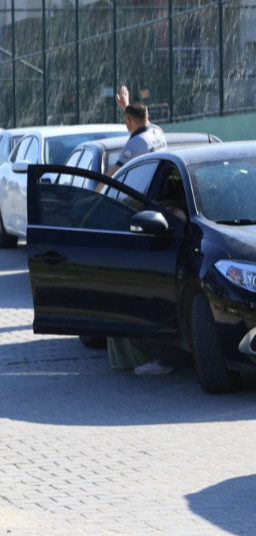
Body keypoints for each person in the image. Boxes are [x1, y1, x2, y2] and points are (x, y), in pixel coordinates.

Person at [105, 85, 173, 376]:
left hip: (137, 216)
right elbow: (139, 122)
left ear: (129, 122)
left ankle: (140, 358)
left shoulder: (133, 146)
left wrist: (91, 193)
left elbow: (113, 175)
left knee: (122, 288)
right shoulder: (157, 132)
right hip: (161, 211)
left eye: (125, 120)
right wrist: (126, 107)